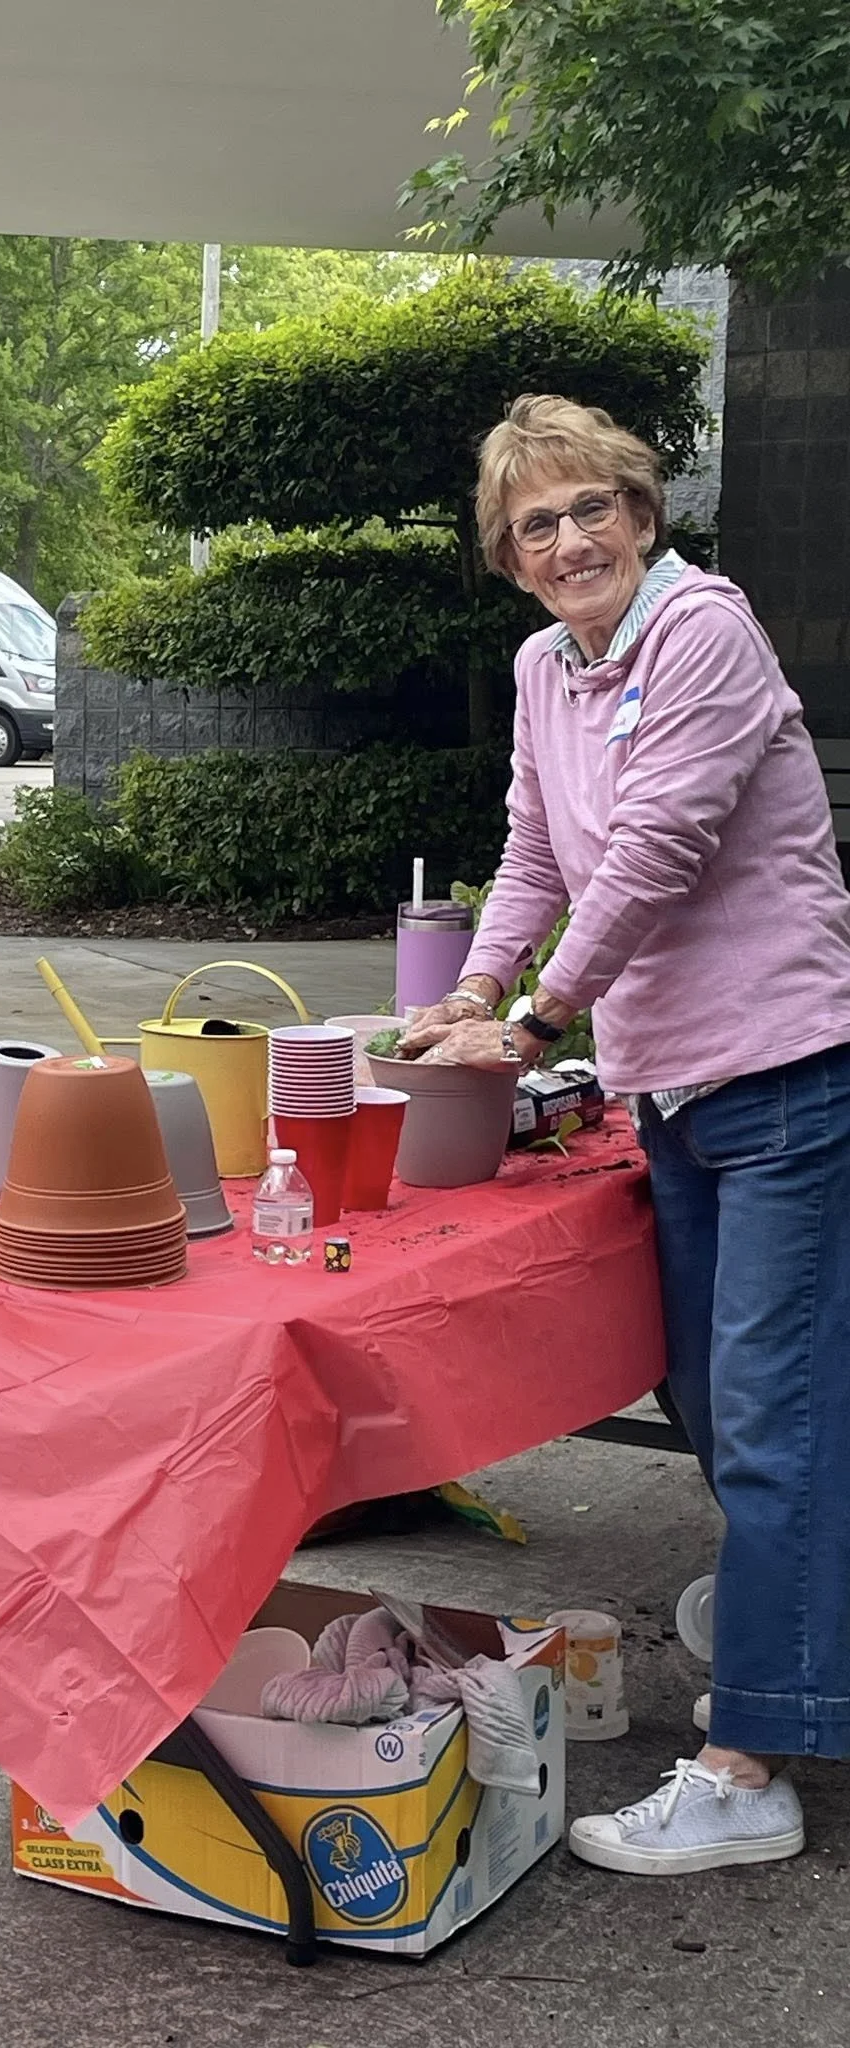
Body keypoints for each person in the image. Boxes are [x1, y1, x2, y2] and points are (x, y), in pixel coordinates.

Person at [401, 393, 850, 1877]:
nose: (570, 538)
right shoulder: (548, 666)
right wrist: (465, 991)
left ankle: (750, 1768)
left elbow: (655, 848)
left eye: (593, 506)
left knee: (776, 1423)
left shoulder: (701, 632)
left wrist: (531, 1029)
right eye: (537, 522)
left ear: (642, 516)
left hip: (787, 1070)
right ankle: (809, 1626)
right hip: (673, 1086)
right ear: (511, 559)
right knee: (721, 1406)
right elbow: (539, 843)